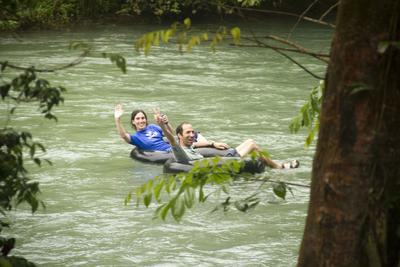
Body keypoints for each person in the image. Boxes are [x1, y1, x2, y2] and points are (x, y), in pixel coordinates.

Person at [154, 110, 299, 169]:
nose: (192, 135)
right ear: (180, 136)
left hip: (222, 158)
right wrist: (161, 125)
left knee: (250, 140)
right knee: (253, 145)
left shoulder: (190, 145)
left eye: (193, 132)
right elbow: (171, 138)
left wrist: (213, 143)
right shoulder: (180, 151)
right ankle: (279, 167)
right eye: (188, 133)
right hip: (223, 162)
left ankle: (274, 164)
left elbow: (180, 136)